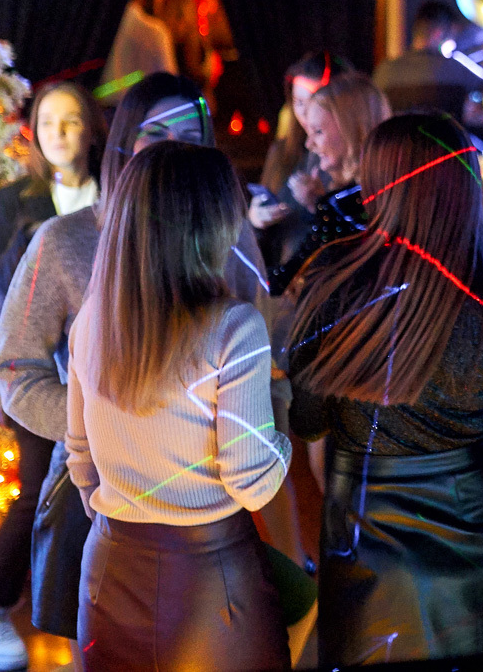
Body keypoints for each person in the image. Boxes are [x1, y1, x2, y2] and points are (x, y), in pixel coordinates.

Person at [0, 73, 275, 642]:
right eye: (157, 134)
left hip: (215, 493)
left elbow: (261, 344)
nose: (174, 150)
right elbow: (15, 367)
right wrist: (102, 427)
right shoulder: (65, 240)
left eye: (190, 137)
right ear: (123, 142)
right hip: (101, 492)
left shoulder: (230, 235)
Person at [285, 114, 483, 665]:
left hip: (361, 538)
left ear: (377, 188)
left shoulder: (332, 292)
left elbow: (308, 421)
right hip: (472, 557)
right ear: (465, 190)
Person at [66, 142, 292, 670]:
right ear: (210, 227)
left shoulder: (91, 320)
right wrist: (280, 417)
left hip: (109, 569)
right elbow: (254, 483)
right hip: (209, 584)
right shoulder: (234, 329)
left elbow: (80, 458)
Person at [0, 80, 106, 670]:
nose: (59, 132)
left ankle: (91, 616)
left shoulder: (115, 192)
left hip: (102, 376)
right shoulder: (16, 200)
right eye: (47, 121)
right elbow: (2, 293)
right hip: (40, 375)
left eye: (71, 120)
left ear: (91, 129)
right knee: (36, 492)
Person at [265, 71, 391, 297]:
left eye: (318, 131)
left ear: (353, 131)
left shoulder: (340, 205)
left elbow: (286, 280)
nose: (309, 143)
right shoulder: (391, 191)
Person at [252, 52, 356, 272]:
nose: (308, 113)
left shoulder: (355, 159)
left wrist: (320, 204)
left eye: (317, 101)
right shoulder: (283, 152)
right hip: (284, 276)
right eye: (299, 103)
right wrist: (256, 221)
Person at [372, 0, 478, 119]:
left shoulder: (384, 71)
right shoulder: (457, 72)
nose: (453, 42)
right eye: (452, 36)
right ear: (438, 33)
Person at [97, 0, 178, 105]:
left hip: (102, 106)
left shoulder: (96, 26)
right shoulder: (155, 32)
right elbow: (169, 87)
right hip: (139, 109)